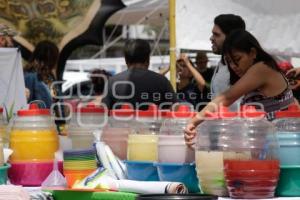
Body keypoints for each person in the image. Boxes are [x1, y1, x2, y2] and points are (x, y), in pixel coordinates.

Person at [185, 29, 295, 145]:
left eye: (237, 59)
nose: (234, 66)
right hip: (272, 144)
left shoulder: (261, 68)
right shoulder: (260, 72)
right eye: (229, 62)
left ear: (253, 53)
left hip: (280, 145)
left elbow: (226, 98)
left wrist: (194, 121)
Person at [102, 39, 177, 110]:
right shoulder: (162, 81)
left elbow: (104, 110)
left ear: (126, 59)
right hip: (153, 123)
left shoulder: (112, 82)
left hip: (121, 123)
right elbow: (175, 108)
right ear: (148, 59)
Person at [209, 14, 246, 110]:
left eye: (216, 34)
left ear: (231, 37)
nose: (211, 38)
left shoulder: (246, 66)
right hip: (222, 123)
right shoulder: (222, 62)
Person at [24, 40, 59, 108]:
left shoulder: (49, 75)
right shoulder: (30, 76)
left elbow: (57, 100)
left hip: (51, 116)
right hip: (39, 117)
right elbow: (27, 102)